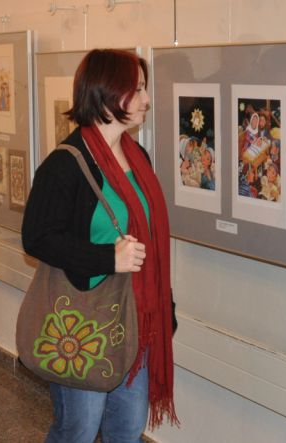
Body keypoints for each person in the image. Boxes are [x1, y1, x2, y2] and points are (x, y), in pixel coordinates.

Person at [22, 49, 178, 443]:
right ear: (108, 93)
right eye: (137, 89)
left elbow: (150, 242)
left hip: (136, 318)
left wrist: (165, 307)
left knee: (127, 430)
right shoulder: (64, 164)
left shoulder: (137, 157)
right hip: (84, 322)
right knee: (78, 430)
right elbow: (37, 237)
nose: (146, 99)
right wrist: (108, 257)